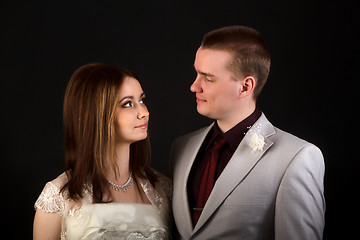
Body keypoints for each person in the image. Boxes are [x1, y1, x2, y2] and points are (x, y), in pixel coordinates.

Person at [170, 26, 325, 240]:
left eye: (208, 78)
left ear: (245, 87)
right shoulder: (182, 147)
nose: (194, 86)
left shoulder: (297, 157)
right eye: (197, 73)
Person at [33, 63, 172, 240]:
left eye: (142, 100)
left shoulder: (162, 189)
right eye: (128, 104)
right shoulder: (58, 196)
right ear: (96, 113)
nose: (144, 112)